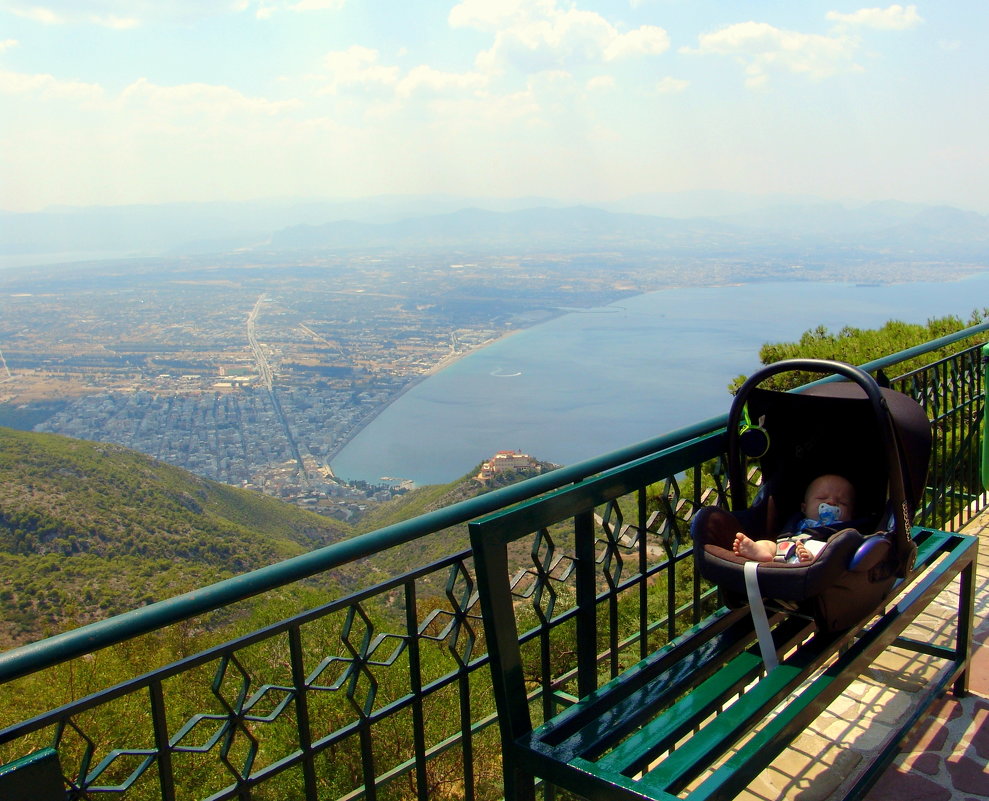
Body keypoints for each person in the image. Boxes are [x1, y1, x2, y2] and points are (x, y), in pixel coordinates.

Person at [732, 473, 855, 563]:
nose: (831, 502)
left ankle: (810, 558)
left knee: (823, 550)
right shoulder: (798, 521)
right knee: (769, 544)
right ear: (804, 508)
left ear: (851, 514)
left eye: (842, 502)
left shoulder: (846, 530)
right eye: (822, 498)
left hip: (823, 551)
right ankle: (761, 551)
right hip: (788, 546)